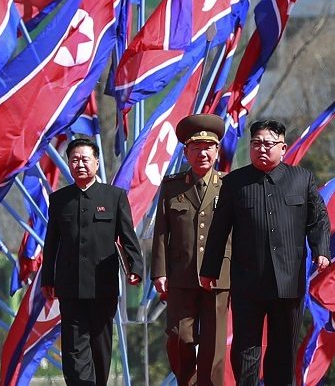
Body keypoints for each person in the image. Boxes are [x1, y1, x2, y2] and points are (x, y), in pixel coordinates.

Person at [200, 120, 331, 385]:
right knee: (245, 348)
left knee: (283, 349)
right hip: (248, 280)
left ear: (283, 147)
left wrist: (321, 251)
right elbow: (219, 228)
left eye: (268, 144)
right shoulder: (235, 183)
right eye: (256, 143)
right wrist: (209, 269)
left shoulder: (301, 179)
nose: (261, 149)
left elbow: (318, 219)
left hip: (288, 280)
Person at [41, 137, 144, 386]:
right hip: (70, 286)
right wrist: (47, 279)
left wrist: (135, 267)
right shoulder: (59, 200)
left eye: (85, 159)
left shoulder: (114, 197)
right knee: (74, 350)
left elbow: (127, 237)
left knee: (100, 346)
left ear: (96, 163)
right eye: (74, 160)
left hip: (103, 285)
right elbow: (51, 243)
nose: (80, 164)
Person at [151, 113, 230, 386]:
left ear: (217, 152)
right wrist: (159, 272)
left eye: (208, 148)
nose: (202, 154)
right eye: (196, 148)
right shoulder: (172, 187)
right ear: (186, 153)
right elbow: (161, 232)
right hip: (181, 275)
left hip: (220, 276)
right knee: (179, 337)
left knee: (213, 344)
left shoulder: (230, 186)